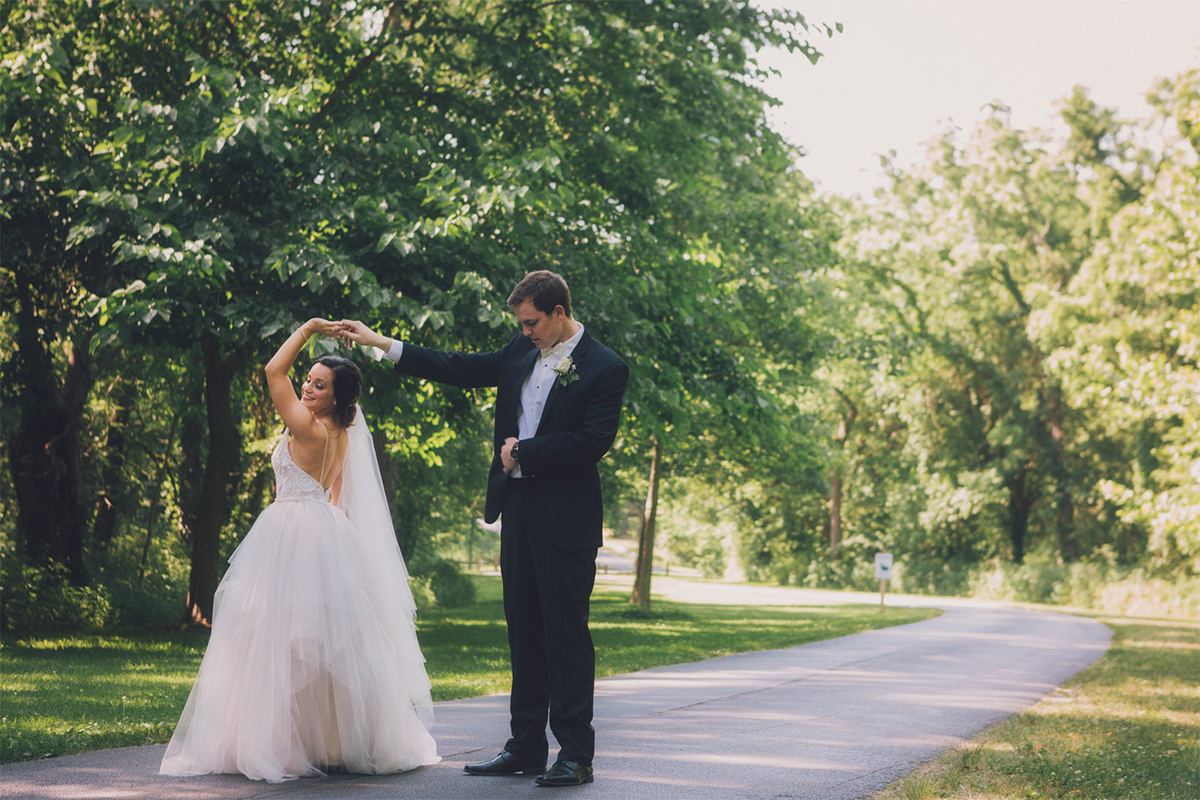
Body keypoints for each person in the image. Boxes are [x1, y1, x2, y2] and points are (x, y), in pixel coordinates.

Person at [338, 270, 628, 787]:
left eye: (532, 322)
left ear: (559, 313)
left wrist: (522, 452)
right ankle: (524, 747)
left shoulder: (606, 367)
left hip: (568, 521)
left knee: (565, 637)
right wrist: (380, 343)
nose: (525, 332)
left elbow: (592, 441)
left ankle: (576, 755)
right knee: (524, 633)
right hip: (517, 511)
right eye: (521, 324)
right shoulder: (519, 352)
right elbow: (456, 367)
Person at [160, 318, 440, 784]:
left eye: (318, 384)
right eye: (307, 381)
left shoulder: (307, 428)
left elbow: (273, 370)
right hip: (326, 529)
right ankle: (330, 741)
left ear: (336, 395)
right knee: (323, 640)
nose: (307, 388)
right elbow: (335, 493)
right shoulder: (344, 434)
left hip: (291, 527)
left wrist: (309, 327)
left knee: (279, 637)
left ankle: (284, 741)